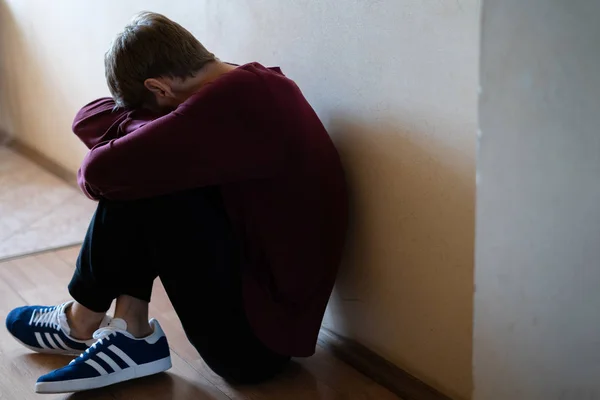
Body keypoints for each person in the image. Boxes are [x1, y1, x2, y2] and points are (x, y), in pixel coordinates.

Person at [4, 11, 348, 394]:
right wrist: (157, 126)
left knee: (141, 180)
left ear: (159, 87)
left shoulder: (233, 106)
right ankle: (125, 331)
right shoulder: (248, 83)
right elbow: (88, 118)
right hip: (267, 317)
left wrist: (154, 133)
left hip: (253, 346)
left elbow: (96, 172)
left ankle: (83, 320)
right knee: (147, 173)